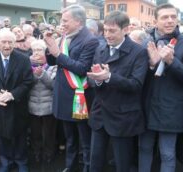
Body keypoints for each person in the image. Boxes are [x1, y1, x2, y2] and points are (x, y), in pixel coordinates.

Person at [138, 3, 183, 172]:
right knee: (144, 149)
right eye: (165, 17)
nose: (170, 20)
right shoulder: (146, 42)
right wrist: (151, 65)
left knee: (167, 154)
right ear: (155, 21)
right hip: (148, 106)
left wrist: (172, 62)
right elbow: (137, 78)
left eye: (173, 16)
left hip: (172, 108)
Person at [87, 11, 148, 172]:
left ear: (125, 29)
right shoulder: (100, 49)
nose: (107, 35)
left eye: (112, 31)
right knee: (95, 163)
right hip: (100, 115)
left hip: (123, 117)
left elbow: (136, 85)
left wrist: (109, 77)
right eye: (105, 30)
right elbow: (92, 80)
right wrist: (98, 80)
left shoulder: (139, 52)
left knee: (122, 164)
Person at [44, 4, 99, 172]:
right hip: (64, 94)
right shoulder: (66, 36)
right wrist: (50, 46)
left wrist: (57, 54)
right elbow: (53, 62)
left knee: (84, 138)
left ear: (78, 21)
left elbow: (82, 68)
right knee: (69, 138)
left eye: (65, 20)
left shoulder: (90, 40)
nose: (62, 23)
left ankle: (88, 167)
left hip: (79, 96)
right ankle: (70, 165)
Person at [0, 29, 34, 172]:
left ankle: (21, 161)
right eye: (3, 42)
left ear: (14, 43)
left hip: (17, 105)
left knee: (20, 136)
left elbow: (28, 82)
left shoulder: (23, 59)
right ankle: (6, 162)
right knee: (1, 136)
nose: (7, 45)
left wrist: (12, 95)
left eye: (10, 42)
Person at [28, 39, 57, 163]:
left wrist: (42, 74)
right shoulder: (27, 65)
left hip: (48, 105)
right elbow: (26, 84)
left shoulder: (53, 65)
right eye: (34, 50)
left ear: (45, 52)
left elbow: (53, 85)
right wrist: (35, 74)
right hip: (32, 105)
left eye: (39, 50)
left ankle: (49, 154)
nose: (37, 53)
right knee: (35, 133)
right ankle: (36, 153)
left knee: (49, 133)